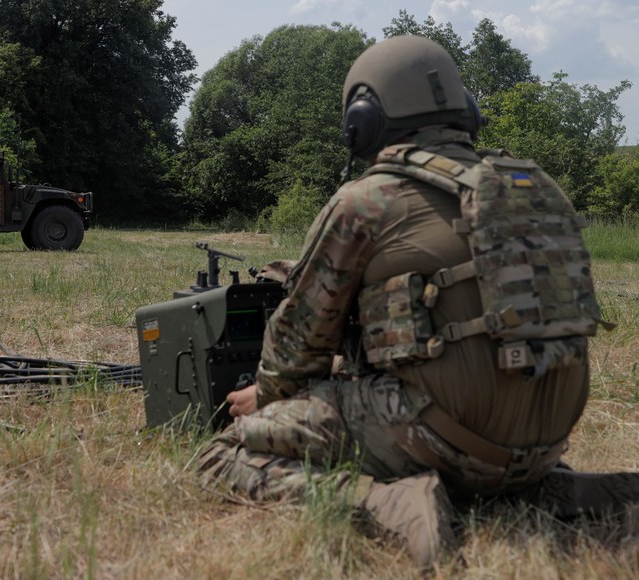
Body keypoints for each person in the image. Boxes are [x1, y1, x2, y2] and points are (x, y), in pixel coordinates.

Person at [197, 35, 639, 568]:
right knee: (471, 446)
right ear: (465, 111)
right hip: (544, 443)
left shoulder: (365, 201)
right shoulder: (532, 187)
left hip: (444, 435)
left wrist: (266, 401)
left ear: (364, 117)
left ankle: (385, 503)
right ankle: (569, 495)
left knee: (221, 455)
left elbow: (296, 355)